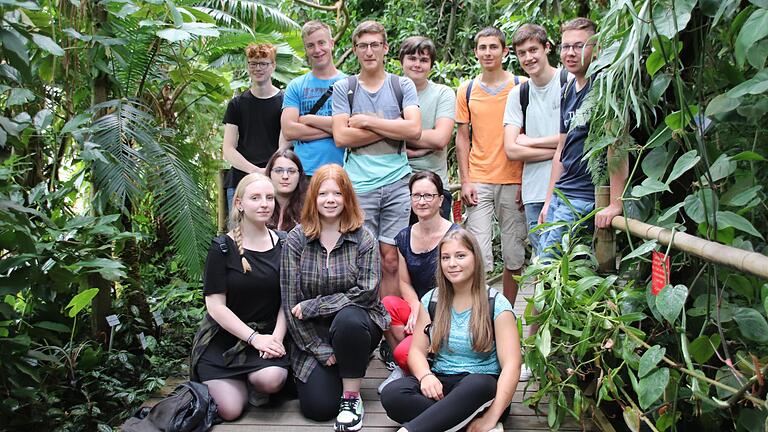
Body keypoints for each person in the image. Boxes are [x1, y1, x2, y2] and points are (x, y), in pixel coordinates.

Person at [281, 164, 390, 431]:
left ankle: (352, 397)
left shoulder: (364, 238)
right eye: (323, 194)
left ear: (347, 197)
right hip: (313, 334)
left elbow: (367, 292)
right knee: (319, 408)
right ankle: (341, 368)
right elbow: (289, 301)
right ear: (313, 198)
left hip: (358, 322)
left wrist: (316, 305)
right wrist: (317, 348)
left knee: (349, 319)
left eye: (337, 194)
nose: (330, 200)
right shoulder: (296, 240)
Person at [380, 229, 521, 432]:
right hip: (442, 382)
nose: (452, 264)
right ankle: (459, 423)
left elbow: (512, 365)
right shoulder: (432, 300)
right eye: (445, 258)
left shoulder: (496, 304)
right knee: (392, 394)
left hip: (479, 389)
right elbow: (417, 352)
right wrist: (426, 376)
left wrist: (492, 416)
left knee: (479, 385)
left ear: (475, 258)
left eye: (460, 256)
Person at [332, 20, 422, 299]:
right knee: (362, 257)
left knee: (391, 258)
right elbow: (342, 138)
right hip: (359, 184)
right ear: (355, 50)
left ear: (385, 48)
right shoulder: (344, 88)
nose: (369, 51)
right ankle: (366, 323)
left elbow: (414, 130)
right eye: (362, 46)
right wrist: (391, 126)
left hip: (397, 182)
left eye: (374, 45)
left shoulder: (401, 85)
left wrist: (367, 122)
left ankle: (390, 326)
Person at [190, 173, 289, 421]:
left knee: (271, 380)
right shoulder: (222, 247)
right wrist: (253, 339)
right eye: (255, 198)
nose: (264, 203)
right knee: (229, 410)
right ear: (239, 203)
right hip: (225, 340)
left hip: (267, 337)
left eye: (269, 197)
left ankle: (254, 383)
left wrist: (275, 339)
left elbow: (289, 298)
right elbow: (215, 306)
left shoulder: (285, 244)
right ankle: (237, 385)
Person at [538, 18, 628, 254]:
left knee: (550, 265)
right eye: (566, 46)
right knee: (548, 267)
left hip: (585, 196)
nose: (570, 53)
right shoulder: (568, 88)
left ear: (597, 48)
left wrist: (615, 204)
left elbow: (616, 145)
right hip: (562, 194)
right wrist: (549, 200)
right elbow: (561, 149)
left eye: (579, 46)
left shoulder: (603, 87)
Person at [455, 27, 527, 304]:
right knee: (478, 253)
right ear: (476, 52)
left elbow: (526, 133)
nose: (488, 52)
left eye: (493, 47)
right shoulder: (467, 90)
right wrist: (465, 180)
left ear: (505, 51)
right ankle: (482, 312)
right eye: (482, 47)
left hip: (513, 179)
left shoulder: (520, 86)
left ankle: (507, 311)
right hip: (479, 179)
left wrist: (524, 180)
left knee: (513, 253)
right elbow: (462, 138)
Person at [378, 171, 460, 393]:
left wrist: (424, 311)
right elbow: (404, 282)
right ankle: (405, 369)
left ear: (440, 200)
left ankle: (423, 363)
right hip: (420, 307)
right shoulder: (404, 236)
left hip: (447, 309)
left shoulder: (455, 236)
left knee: (406, 352)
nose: (422, 201)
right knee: (386, 305)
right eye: (416, 196)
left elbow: (460, 285)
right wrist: (415, 306)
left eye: (428, 196)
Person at [504, 23, 568, 258]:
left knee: (571, 262)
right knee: (543, 262)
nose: (528, 57)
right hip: (534, 191)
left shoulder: (568, 82)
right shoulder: (519, 93)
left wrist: (529, 142)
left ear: (547, 48)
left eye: (533, 50)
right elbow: (511, 148)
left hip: (569, 188)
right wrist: (559, 149)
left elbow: (575, 139)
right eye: (522, 53)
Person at [222, 43, 288, 211]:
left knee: (278, 235)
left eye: (263, 63)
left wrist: (271, 170)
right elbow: (228, 149)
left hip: (277, 180)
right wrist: (255, 171)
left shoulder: (286, 101)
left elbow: (288, 142)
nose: (258, 68)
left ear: (273, 66)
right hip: (241, 181)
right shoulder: (237, 104)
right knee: (239, 235)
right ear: (248, 66)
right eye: (253, 63)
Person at [398, 36, 456, 221]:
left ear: (431, 65)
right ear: (402, 61)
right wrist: (424, 145)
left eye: (423, 60)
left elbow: (440, 138)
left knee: (439, 246)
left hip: (434, 184)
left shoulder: (443, 93)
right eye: (412, 59)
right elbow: (380, 137)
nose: (417, 64)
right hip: (396, 184)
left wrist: (400, 138)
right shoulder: (389, 91)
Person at [281, 21, 346, 177]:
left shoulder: (349, 83)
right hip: (305, 173)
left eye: (321, 43)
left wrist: (308, 119)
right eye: (310, 45)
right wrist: (336, 130)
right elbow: (289, 131)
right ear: (306, 49)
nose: (317, 50)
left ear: (331, 44)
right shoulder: (296, 86)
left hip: (342, 171)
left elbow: (353, 128)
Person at [265, 149, 307, 232]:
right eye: (279, 171)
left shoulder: (310, 209)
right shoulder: (259, 207)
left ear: (300, 176)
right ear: (269, 174)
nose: (285, 176)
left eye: (291, 171)